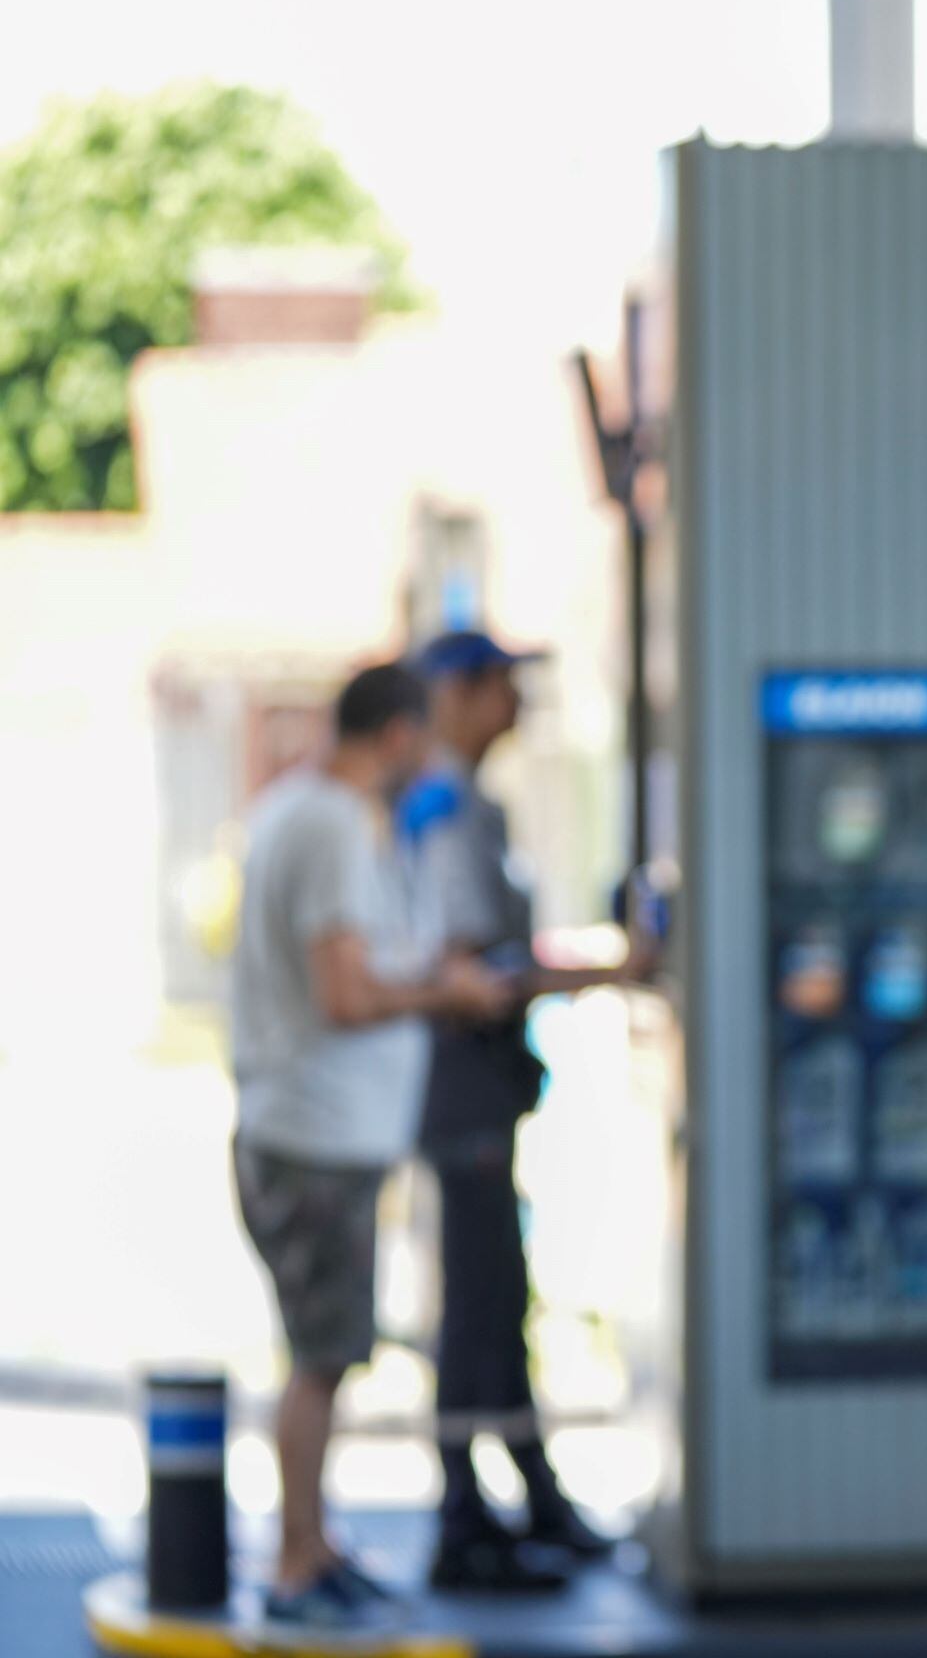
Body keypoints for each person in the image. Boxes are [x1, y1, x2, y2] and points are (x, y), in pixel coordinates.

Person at [230, 662, 513, 1625]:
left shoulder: (308, 815)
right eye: (424, 738)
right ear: (397, 735)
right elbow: (345, 995)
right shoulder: (331, 826)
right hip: (314, 1138)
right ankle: (295, 1570)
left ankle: (317, 1547)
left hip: (317, 1132)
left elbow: (355, 963)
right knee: (321, 1360)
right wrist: (445, 993)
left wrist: (427, 970)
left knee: (331, 1354)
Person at [403, 630, 655, 1592]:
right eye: (502, 685)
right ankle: (467, 1520)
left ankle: (530, 1499)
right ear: (460, 694)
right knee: (479, 1303)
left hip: (479, 1090)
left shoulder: (467, 803)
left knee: (497, 1299)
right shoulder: (444, 808)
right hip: (459, 1085)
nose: (516, 704)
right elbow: (471, 972)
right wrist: (603, 970)